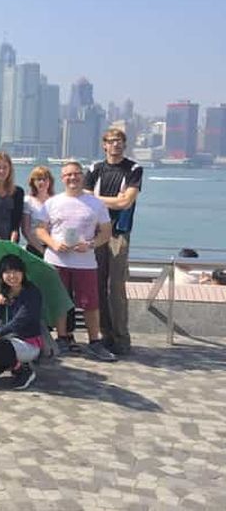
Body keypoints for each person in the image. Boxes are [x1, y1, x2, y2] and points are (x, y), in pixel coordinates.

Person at [35, 161, 116, 361]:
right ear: (62, 179)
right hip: (57, 259)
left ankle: (94, 342)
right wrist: (52, 243)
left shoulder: (96, 203)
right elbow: (40, 229)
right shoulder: (52, 202)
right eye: (68, 175)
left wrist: (90, 245)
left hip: (85, 262)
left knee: (90, 304)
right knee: (60, 301)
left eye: (76, 174)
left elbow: (106, 233)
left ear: (82, 176)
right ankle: (62, 339)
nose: (73, 178)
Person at [84, 128, 143, 356]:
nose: (115, 145)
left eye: (119, 141)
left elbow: (126, 203)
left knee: (115, 286)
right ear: (104, 145)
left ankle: (121, 338)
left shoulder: (134, 169)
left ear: (124, 145)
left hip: (119, 233)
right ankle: (104, 335)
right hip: (97, 232)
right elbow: (87, 200)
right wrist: (113, 201)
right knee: (97, 285)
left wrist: (99, 200)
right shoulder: (95, 169)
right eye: (111, 141)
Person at [0, 255, 43, 390]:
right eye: (7, 272)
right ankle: (10, 362)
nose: (12, 276)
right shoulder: (5, 292)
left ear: (23, 273)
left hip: (27, 343)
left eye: (16, 271)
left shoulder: (31, 293)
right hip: (8, 342)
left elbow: (19, 321)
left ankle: (23, 369)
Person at [22, 166, 55, 257]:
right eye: (39, 179)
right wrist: (42, 250)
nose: (42, 182)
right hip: (34, 248)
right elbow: (26, 230)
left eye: (45, 179)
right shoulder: (28, 201)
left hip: (53, 248)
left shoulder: (55, 200)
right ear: (33, 182)